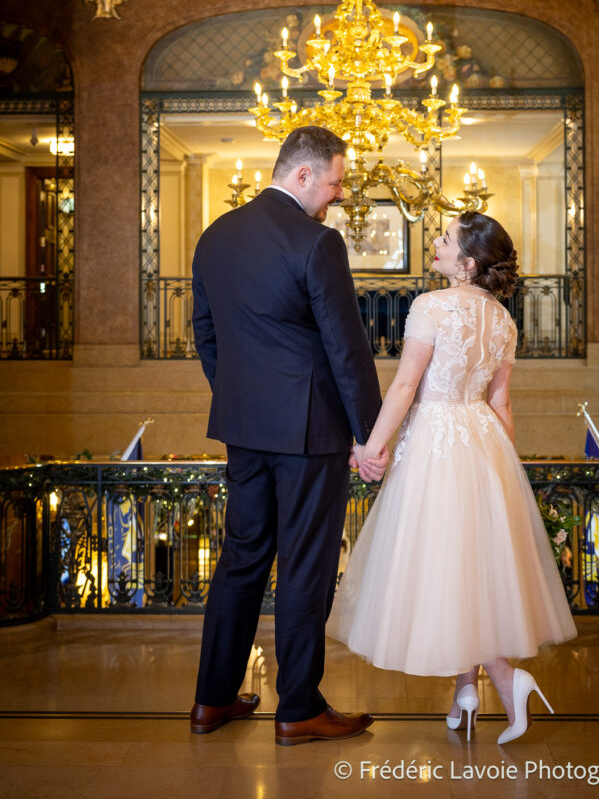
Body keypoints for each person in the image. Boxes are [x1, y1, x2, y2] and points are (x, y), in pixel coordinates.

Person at [327, 211, 577, 744]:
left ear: (466, 264)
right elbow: (501, 401)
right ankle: (466, 690)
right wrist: (505, 470)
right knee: (469, 566)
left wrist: (371, 448)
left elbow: (403, 388)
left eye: (444, 241)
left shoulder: (431, 307)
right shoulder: (504, 321)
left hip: (437, 440)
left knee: (446, 563)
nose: (435, 246)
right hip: (483, 439)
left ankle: (505, 679)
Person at [190, 126, 385, 745]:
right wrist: (371, 434)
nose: (335, 198)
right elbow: (346, 348)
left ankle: (212, 701)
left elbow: (206, 333)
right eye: (333, 184)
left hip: (244, 428)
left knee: (241, 559)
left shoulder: (215, 236)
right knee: (305, 566)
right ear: (302, 176)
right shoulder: (316, 242)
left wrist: (240, 396)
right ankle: (298, 708)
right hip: (311, 431)